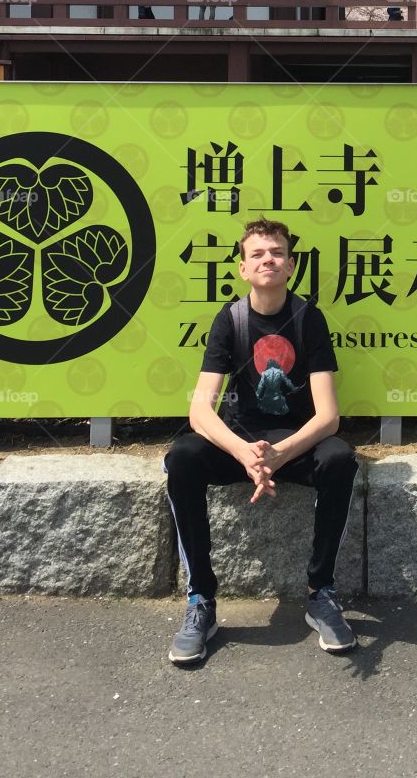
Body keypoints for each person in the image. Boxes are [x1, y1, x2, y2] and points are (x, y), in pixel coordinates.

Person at [164, 218, 358, 664]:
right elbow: (199, 411)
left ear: (291, 266)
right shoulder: (229, 320)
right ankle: (201, 601)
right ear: (242, 268)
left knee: (340, 460)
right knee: (183, 458)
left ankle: (321, 592)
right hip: (241, 446)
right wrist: (243, 452)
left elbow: (328, 417)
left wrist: (281, 453)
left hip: (294, 444)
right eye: (257, 254)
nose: (268, 259)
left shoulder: (309, 320)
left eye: (276, 253)